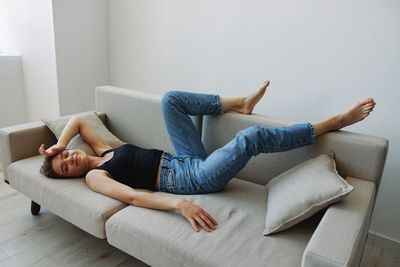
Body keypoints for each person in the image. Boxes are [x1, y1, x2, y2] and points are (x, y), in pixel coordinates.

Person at [38, 81, 376, 233]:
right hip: (190, 179)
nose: (70, 160)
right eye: (66, 167)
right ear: (71, 176)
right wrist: (179, 205)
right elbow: (132, 196)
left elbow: (80, 119)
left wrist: (56, 144)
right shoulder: (96, 176)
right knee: (251, 137)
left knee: (171, 100)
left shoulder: (100, 149)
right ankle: (331, 123)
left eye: (66, 155)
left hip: (183, 159)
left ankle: (239, 102)